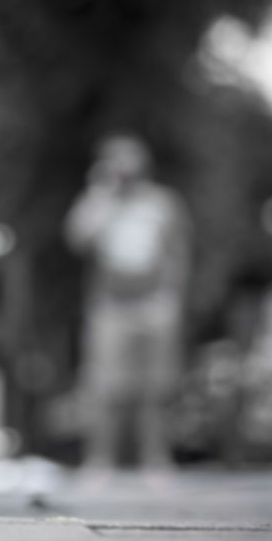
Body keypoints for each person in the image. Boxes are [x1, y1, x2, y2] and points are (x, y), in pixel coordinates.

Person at [64, 132, 191, 479]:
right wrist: (100, 195)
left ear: (143, 161)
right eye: (115, 158)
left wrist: (173, 297)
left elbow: (178, 252)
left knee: (157, 387)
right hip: (110, 305)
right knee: (104, 387)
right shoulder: (98, 201)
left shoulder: (163, 202)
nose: (123, 165)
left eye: (129, 156)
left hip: (155, 303)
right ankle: (99, 462)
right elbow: (77, 240)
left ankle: (157, 461)